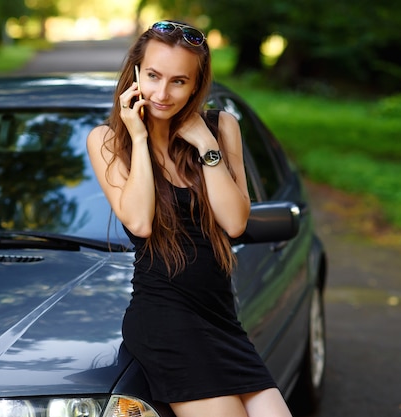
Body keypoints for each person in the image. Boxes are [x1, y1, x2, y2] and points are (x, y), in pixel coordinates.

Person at [87, 20, 293, 417]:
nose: (162, 93)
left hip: (220, 318)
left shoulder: (221, 128)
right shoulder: (109, 141)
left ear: (196, 85)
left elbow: (234, 223)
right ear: (135, 72)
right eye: (152, 76)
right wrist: (142, 137)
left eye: (179, 81)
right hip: (166, 321)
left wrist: (205, 144)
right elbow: (140, 222)